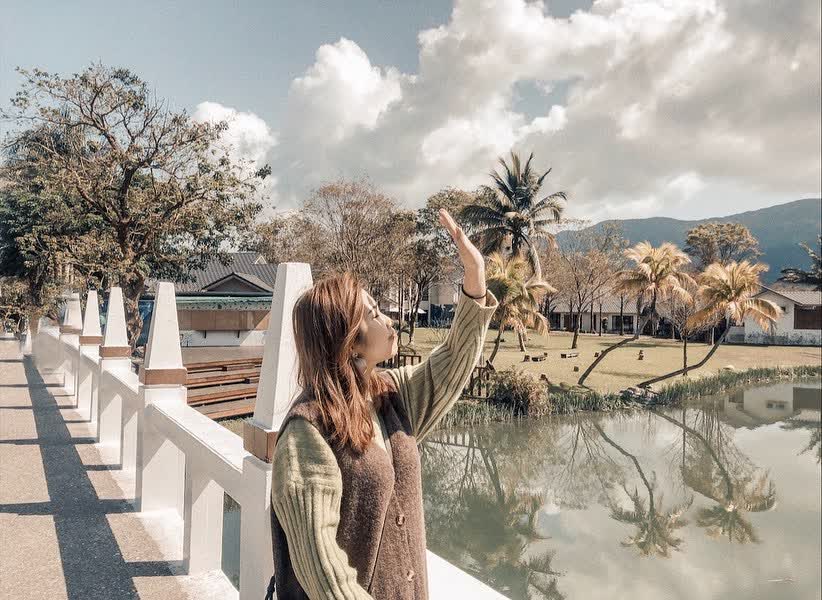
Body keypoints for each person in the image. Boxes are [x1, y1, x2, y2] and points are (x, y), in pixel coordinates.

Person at [269, 209, 498, 599]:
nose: (389, 320)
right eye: (374, 314)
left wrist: (474, 277)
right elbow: (322, 569)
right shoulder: (306, 432)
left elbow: (454, 361)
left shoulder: (388, 394)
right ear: (349, 342)